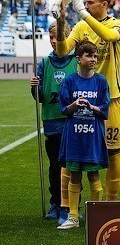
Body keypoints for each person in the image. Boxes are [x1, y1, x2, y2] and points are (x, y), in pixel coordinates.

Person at [57, 0, 120, 201]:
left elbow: (107, 35)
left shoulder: (119, 24)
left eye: (89, 2)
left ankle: (110, 204)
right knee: (73, 155)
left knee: (113, 153)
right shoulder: (80, 27)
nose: (85, 5)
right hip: (81, 97)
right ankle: (68, 208)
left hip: (110, 99)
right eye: (84, 2)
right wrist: (60, 21)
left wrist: (83, 13)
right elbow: (62, 51)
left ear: (104, 4)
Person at [56, 40, 110, 230]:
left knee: (94, 175)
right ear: (79, 59)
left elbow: (105, 110)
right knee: (74, 175)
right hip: (74, 137)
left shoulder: (101, 81)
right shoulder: (69, 81)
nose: (93, 59)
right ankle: (73, 217)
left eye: (95, 56)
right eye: (89, 56)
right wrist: (74, 105)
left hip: (93, 137)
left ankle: (96, 217)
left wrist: (91, 106)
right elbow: (64, 109)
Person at [30, 22, 76, 223]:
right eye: (51, 37)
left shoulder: (75, 60)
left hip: (73, 121)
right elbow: (40, 97)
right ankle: (56, 203)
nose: (54, 41)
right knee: (55, 165)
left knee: (73, 165)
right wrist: (34, 87)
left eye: (58, 37)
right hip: (51, 121)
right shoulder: (44, 63)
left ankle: (73, 204)